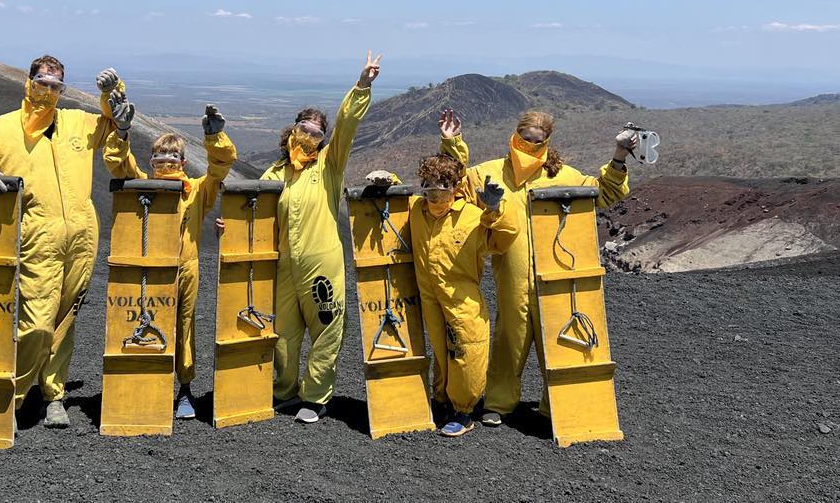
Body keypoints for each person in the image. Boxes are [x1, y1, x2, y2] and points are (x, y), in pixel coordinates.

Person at [0, 57, 135, 428]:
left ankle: (54, 394)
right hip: (38, 233)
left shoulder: (76, 122)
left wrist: (115, 97)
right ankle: (13, 394)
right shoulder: (4, 128)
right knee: (36, 321)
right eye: (42, 82)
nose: (48, 90)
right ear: (28, 82)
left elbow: (113, 130)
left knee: (66, 318)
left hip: (83, 233)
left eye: (55, 85)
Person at [439, 108, 636, 427]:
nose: (529, 146)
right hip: (512, 276)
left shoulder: (563, 176)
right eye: (524, 139)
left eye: (537, 141)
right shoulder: (491, 173)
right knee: (509, 338)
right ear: (514, 136)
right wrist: (452, 143)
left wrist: (619, 154)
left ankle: (556, 404)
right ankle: (499, 402)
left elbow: (605, 192)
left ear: (548, 141)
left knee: (557, 338)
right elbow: (456, 182)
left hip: (555, 274)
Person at [261, 51, 382, 424]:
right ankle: (283, 391)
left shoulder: (329, 165)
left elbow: (346, 126)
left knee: (327, 328)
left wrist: (361, 86)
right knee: (282, 333)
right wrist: (227, 228)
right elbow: (255, 216)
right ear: (292, 129)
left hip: (321, 263)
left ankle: (314, 397)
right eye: (305, 128)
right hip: (284, 264)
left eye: (317, 132)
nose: (310, 136)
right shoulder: (274, 173)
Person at [102, 105, 237, 419]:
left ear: (184, 162)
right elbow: (117, 163)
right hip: (147, 268)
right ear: (151, 162)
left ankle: (185, 389)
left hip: (186, 267)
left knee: (184, 326)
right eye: (159, 159)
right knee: (143, 320)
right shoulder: (142, 187)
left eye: (172, 159)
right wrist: (121, 133)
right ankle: (144, 382)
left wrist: (214, 136)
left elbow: (220, 168)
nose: (165, 164)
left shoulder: (196, 191)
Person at [367, 152, 516, 437]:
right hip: (430, 296)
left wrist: (496, 209)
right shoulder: (417, 210)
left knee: (466, 349)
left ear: (456, 187)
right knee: (441, 350)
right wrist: (389, 181)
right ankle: (442, 401)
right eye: (429, 189)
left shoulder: (473, 217)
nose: (434, 198)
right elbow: (402, 196)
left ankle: (464, 410)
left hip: (462, 297)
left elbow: (504, 238)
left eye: (440, 190)